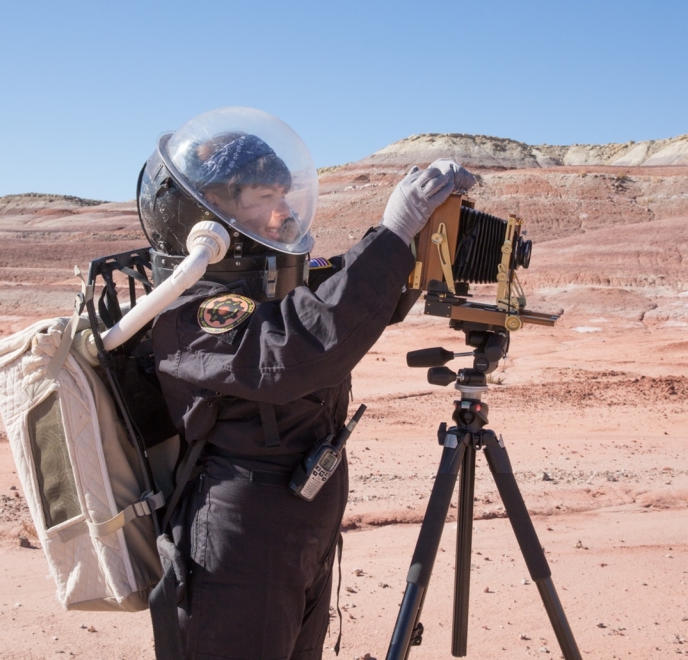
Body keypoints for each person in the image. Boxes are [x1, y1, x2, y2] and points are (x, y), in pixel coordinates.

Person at [139, 106, 475, 659]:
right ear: (214, 213)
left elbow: (340, 287)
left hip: (300, 519)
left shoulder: (268, 279)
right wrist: (393, 236)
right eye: (265, 199)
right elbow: (303, 345)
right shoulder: (193, 310)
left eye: (284, 196)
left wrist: (416, 237)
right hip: (241, 537)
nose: (283, 213)